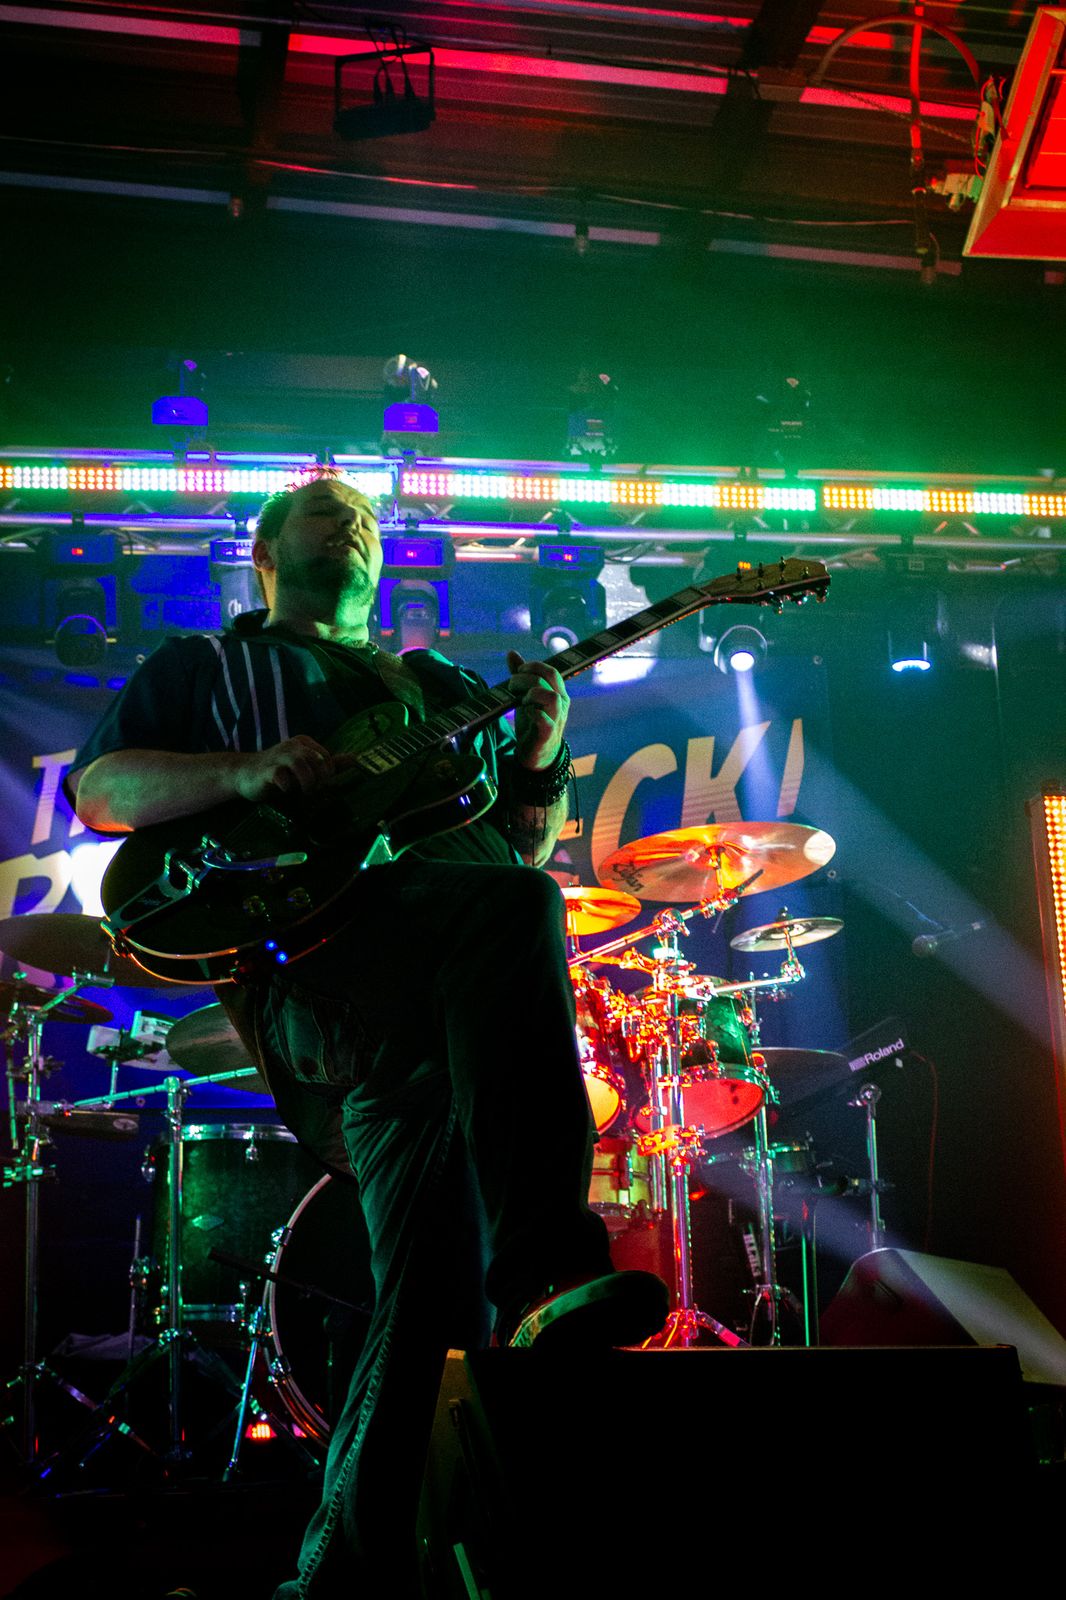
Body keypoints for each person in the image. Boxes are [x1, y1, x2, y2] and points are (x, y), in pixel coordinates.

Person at [66, 471, 668, 1596]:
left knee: (432, 1307)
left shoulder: (436, 687)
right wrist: (246, 770)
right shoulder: (207, 667)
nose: (351, 522)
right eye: (323, 510)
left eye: (366, 519)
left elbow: (517, 850)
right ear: (265, 551)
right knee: (519, 914)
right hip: (319, 974)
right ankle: (548, 1269)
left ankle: (341, 1583)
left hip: (449, 1012)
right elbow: (103, 793)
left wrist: (539, 753)